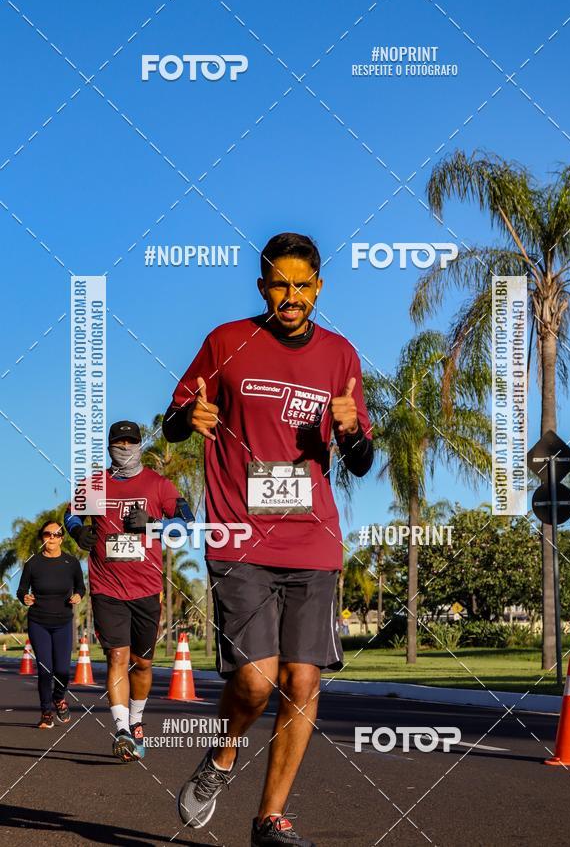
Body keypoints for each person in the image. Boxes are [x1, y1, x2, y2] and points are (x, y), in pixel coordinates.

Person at [163, 232, 373, 846]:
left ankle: (269, 820)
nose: (291, 296)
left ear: (319, 288)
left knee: (303, 682)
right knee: (256, 679)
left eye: (302, 285)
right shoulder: (227, 342)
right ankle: (222, 758)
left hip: (313, 540)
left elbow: (359, 460)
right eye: (279, 284)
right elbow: (177, 418)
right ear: (262, 287)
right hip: (240, 536)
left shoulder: (340, 355)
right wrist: (187, 418)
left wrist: (352, 433)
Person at [64, 420, 195, 762]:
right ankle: (122, 729)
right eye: (118, 442)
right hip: (107, 586)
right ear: (109, 447)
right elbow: (70, 516)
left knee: (143, 663)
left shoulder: (158, 484)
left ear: (139, 444)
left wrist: (153, 524)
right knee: (117, 658)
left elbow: (188, 523)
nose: (124, 447)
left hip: (147, 588)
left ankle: (137, 721)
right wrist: (78, 533)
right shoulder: (94, 484)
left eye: (130, 442)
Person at [16, 521, 86, 729]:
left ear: (62, 538)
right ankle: (46, 712)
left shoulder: (71, 563)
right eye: (48, 534)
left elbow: (81, 587)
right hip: (39, 622)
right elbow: (21, 590)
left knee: (63, 670)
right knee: (45, 670)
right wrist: (25, 598)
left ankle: (59, 698)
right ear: (42, 538)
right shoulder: (33, 563)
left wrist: (78, 595)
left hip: (63, 622)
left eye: (56, 534)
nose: (52, 538)